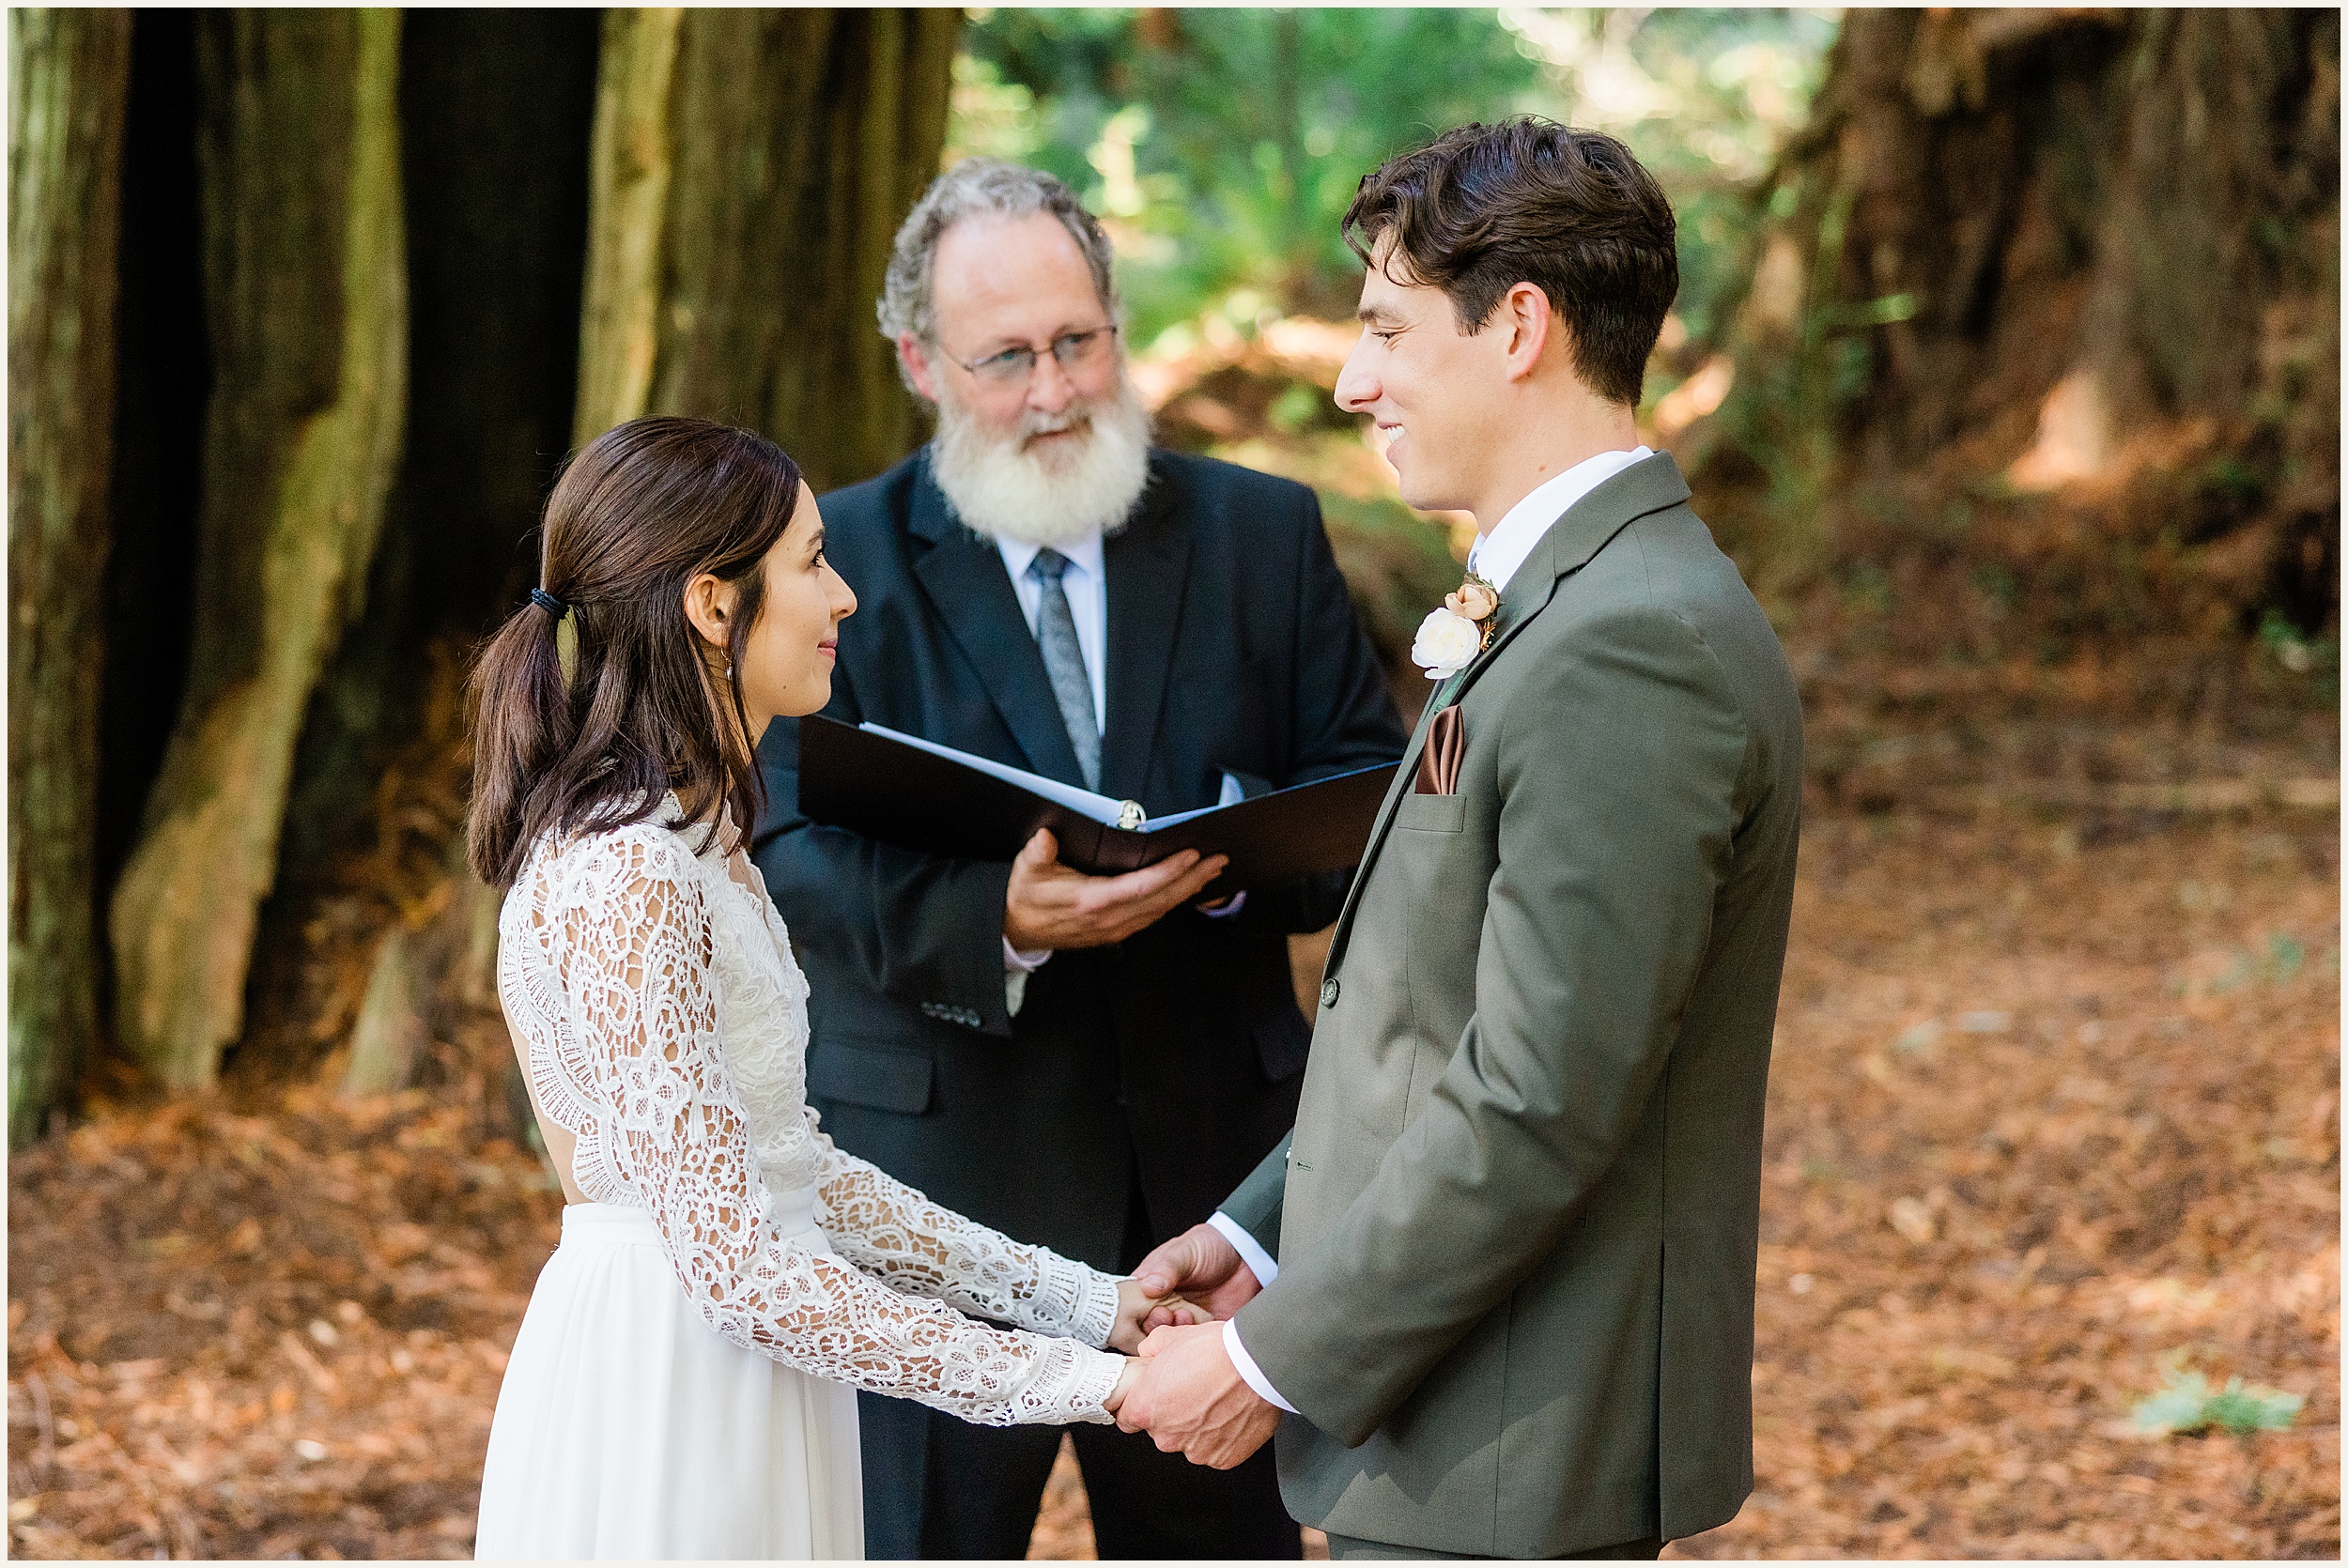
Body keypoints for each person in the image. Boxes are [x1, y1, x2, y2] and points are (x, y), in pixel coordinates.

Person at [1117, 119, 1806, 1560]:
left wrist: (1270, 1358)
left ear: (1519, 329)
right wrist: (1262, 1235)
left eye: (1384, 326)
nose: (1349, 377)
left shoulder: (1631, 643)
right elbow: (1432, 1023)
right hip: (1456, 1421)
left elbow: (1539, 1092)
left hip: (1512, 1442)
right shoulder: (1572, 599)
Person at [751, 159, 1407, 1560]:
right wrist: (997, 916)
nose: (1054, 391)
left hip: (1206, 1194)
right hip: (932, 1183)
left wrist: (1232, 861)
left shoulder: (1261, 533)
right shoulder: (830, 559)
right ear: (922, 362)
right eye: (1006, 359)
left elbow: (1375, 811)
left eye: (1078, 341)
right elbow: (779, 849)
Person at [465, 417, 1198, 1559]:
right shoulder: (628, 873)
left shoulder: (697, 849)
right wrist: (1076, 1380)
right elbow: (739, 1269)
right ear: (714, 605)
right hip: (671, 1397)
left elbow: (793, 1173)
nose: (845, 596)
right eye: (811, 562)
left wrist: (1085, 1301)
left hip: (754, 1375)